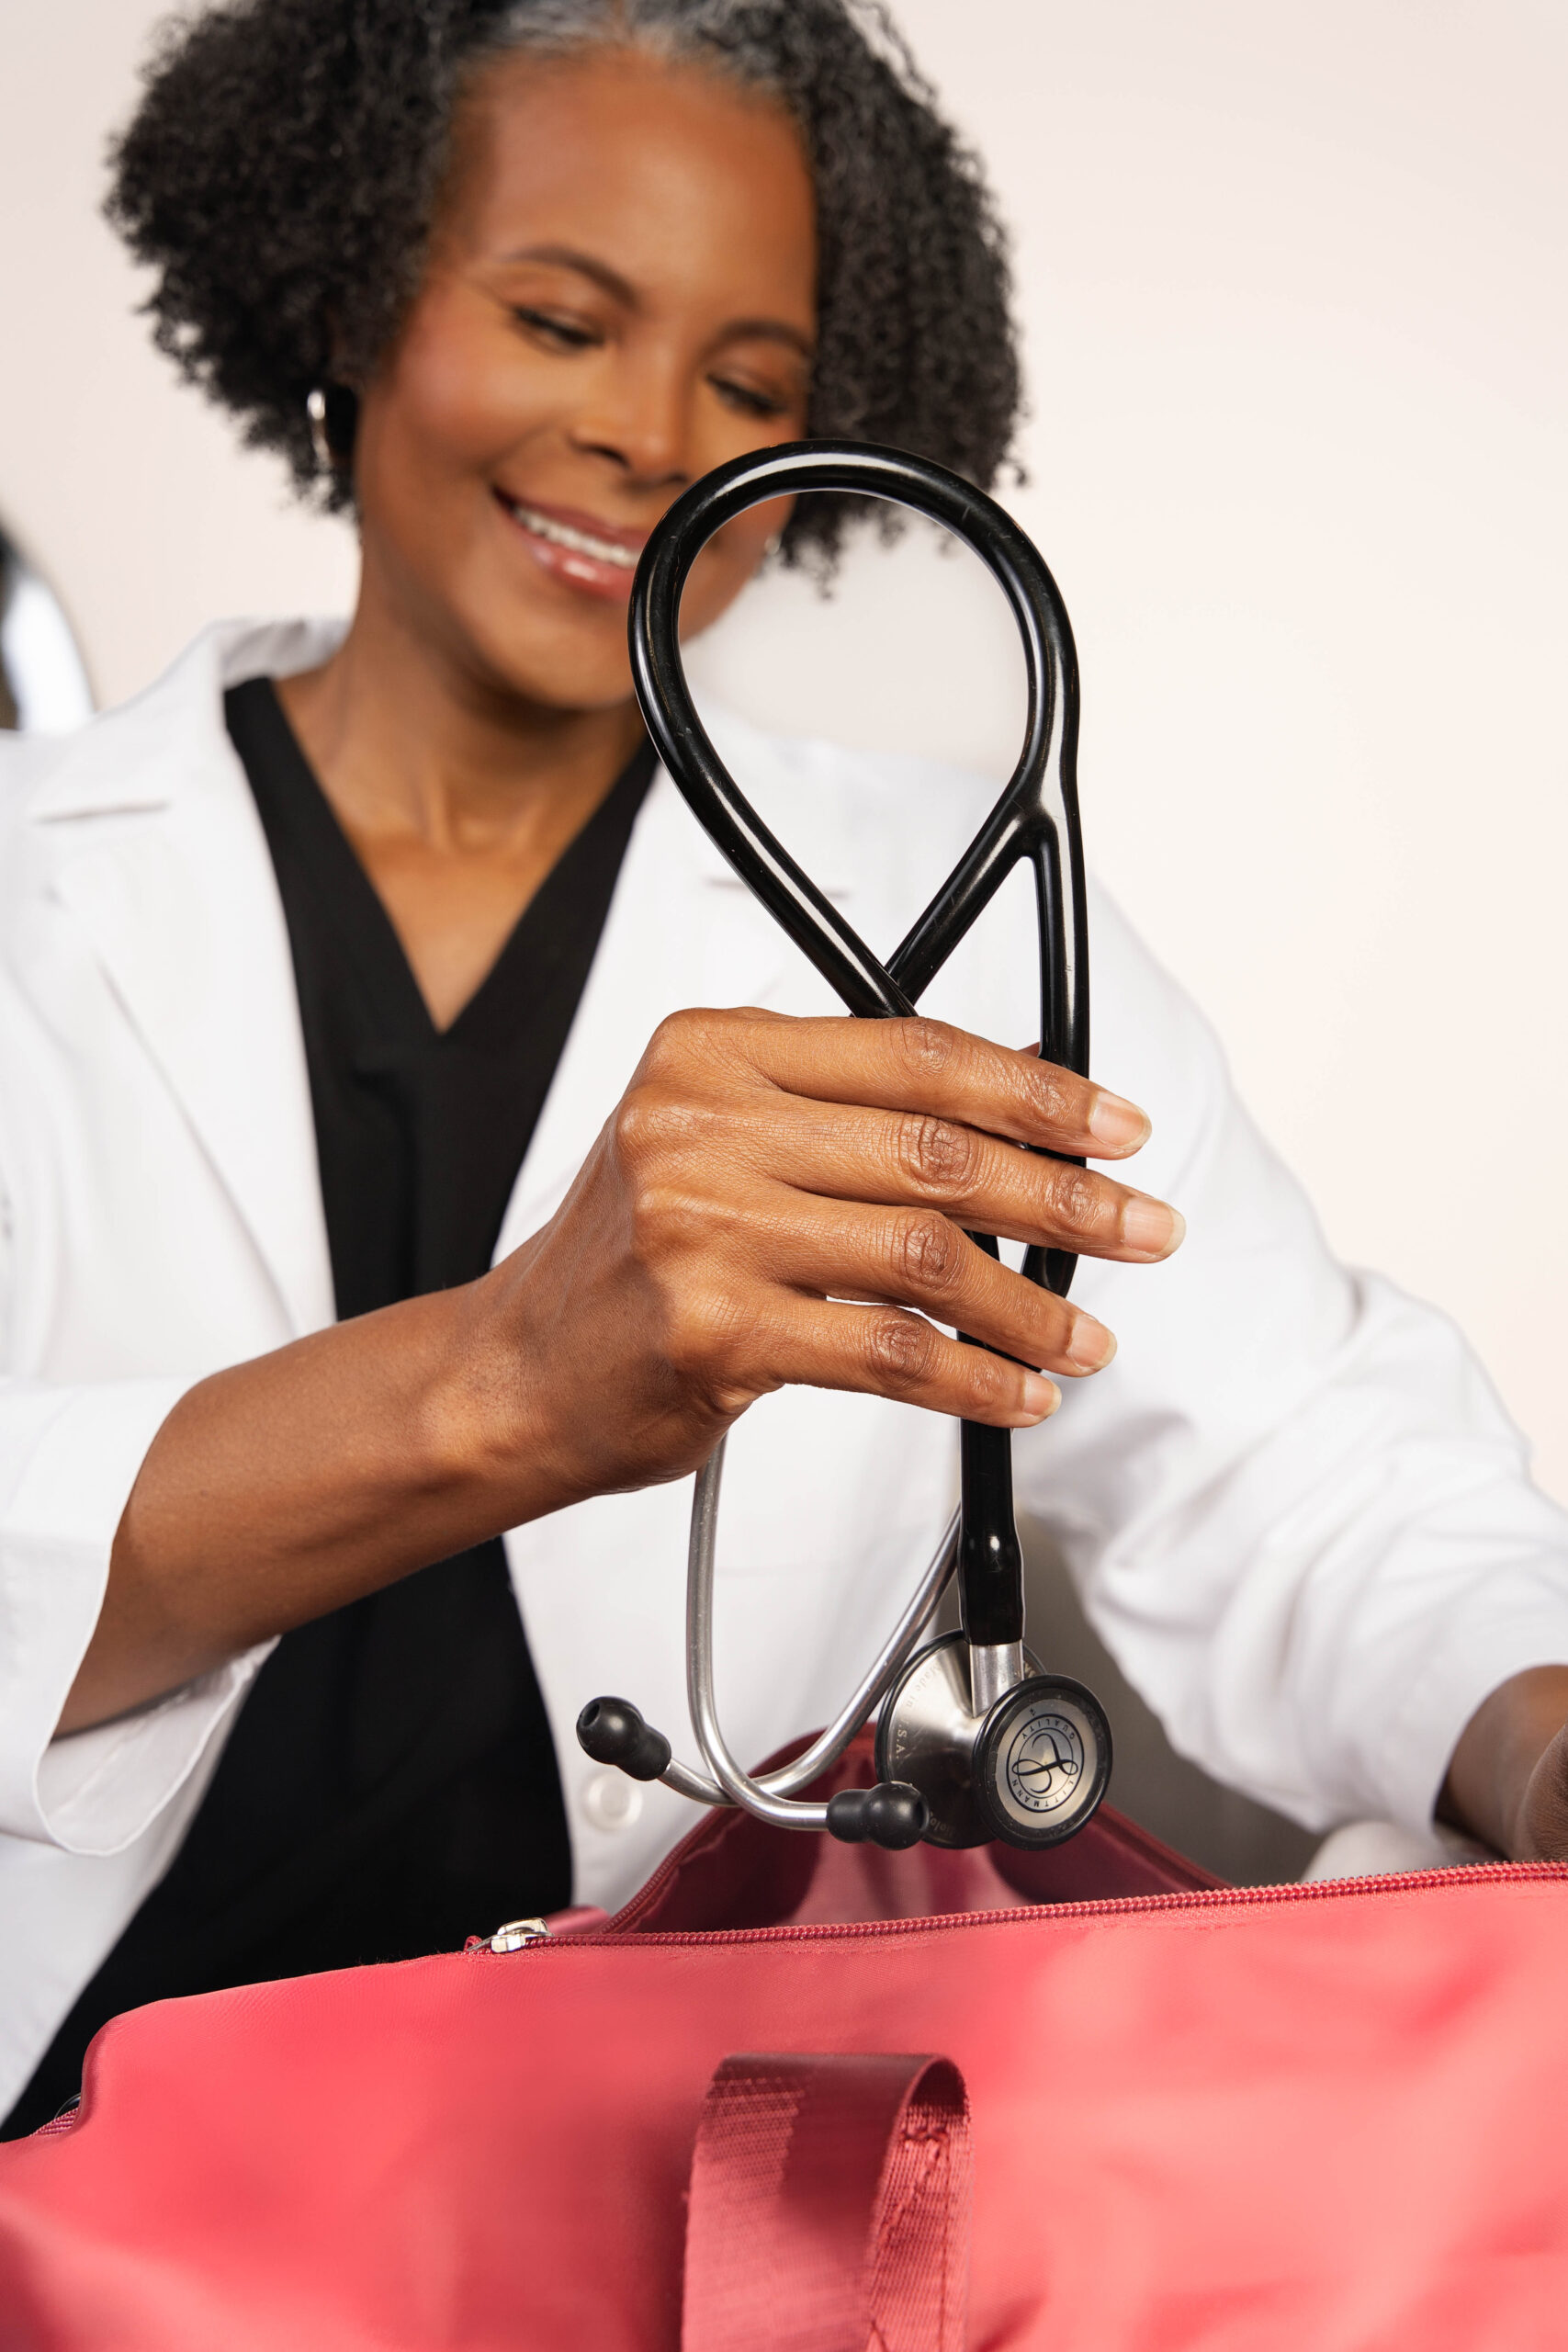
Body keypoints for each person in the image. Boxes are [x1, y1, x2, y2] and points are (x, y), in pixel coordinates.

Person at [3, 0, 1565, 2138]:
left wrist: (1536, 1727)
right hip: (71, 2171)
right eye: (561, 319)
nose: (659, 436)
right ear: (349, 287)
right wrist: (506, 1383)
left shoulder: (955, 911)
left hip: (657, 2177)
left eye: (752, 384)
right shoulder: (31, 889)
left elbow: (1299, 1465)